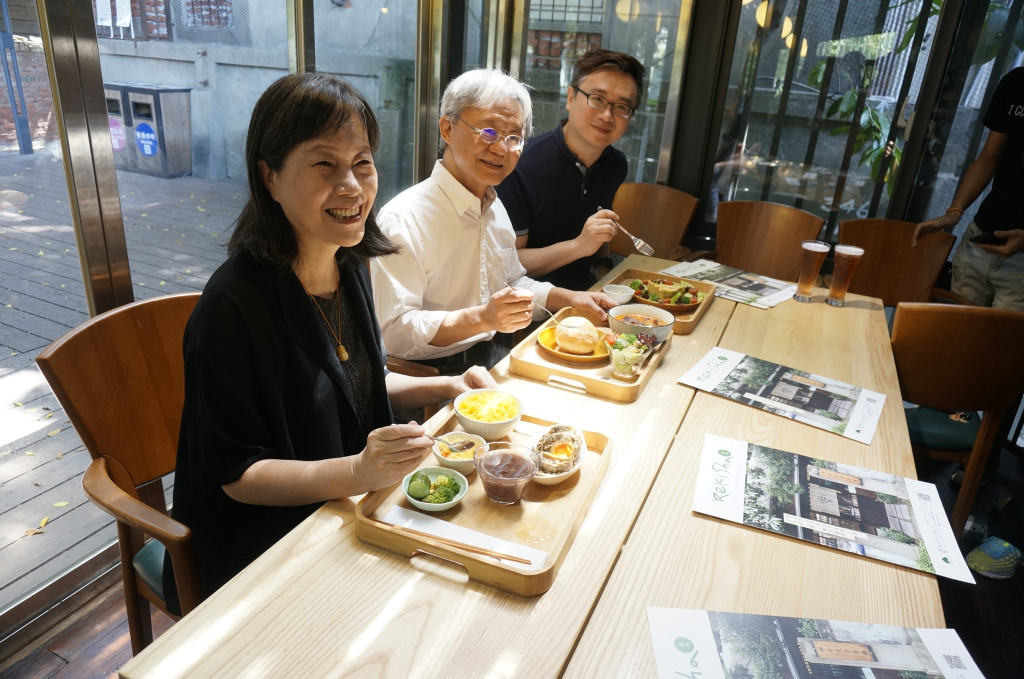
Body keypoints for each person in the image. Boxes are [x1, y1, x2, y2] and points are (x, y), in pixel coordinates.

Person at [166, 72, 494, 611]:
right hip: (264, 546)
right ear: (269, 177)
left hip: (349, 508)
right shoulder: (231, 308)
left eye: (362, 163)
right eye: (325, 164)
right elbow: (241, 477)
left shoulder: (350, 261)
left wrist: (453, 383)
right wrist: (359, 471)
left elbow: (349, 379)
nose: (352, 186)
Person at [370, 69, 616, 375]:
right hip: (426, 377)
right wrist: (484, 318)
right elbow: (393, 330)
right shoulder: (403, 218)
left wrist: (571, 299)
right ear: (447, 128)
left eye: (514, 137)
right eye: (488, 131)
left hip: (492, 356)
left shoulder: (493, 205)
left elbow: (511, 282)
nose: (501, 148)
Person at [497, 49, 646, 290]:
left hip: (588, 297)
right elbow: (508, 263)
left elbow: (600, 225)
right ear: (570, 98)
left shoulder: (616, 164)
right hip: (527, 309)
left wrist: (603, 269)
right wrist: (579, 246)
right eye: (597, 99)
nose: (608, 115)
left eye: (622, 107)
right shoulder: (521, 164)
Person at [914, 67, 1024, 311]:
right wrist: (955, 211)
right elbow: (989, 157)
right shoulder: (1016, 81)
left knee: (998, 348)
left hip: (1020, 266)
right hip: (980, 241)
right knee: (954, 340)